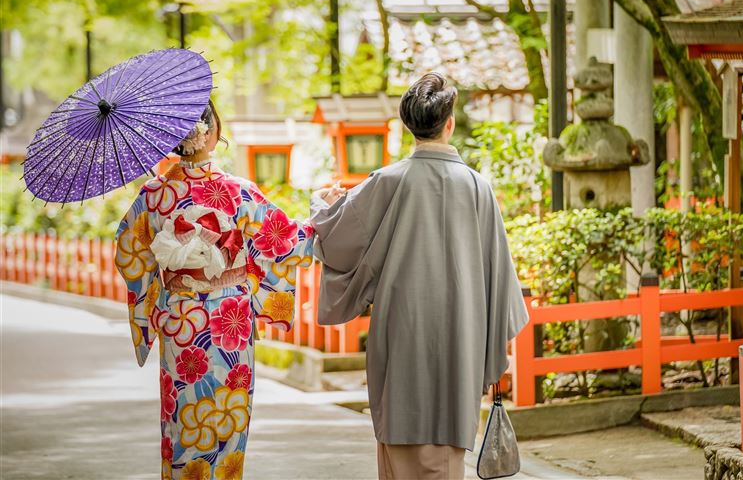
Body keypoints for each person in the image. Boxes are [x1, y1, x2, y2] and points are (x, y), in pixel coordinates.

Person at [310, 72, 530, 480]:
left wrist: (322, 204)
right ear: (449, 123)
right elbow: (499, 276)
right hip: (461, 335)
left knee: (399, 437)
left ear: (408, 124)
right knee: (447, 448)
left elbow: (337, 237)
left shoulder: (387, 181)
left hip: (402, 330)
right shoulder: (478, 187)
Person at [114, 100, 314, 480]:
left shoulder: (153, 195)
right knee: (227, 418)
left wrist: (155, 299)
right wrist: (323, 214)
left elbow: (129, 252)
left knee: (182, 418)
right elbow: (283, 239)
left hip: (181, 320)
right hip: (229, 322)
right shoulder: (238, 192)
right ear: (213, 134)